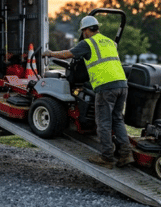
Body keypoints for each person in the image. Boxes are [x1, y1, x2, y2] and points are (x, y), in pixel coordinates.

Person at [43, 16, 134, 169]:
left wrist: (50, 53)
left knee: (103, 122)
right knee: (117, 119)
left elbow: (67, 54)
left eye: (83, 31)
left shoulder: (88, 43)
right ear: (97, 27)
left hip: (106, 87)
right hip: (122, 84)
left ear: (86, 30)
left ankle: (107, 157)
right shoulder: (110, 42)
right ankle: (126, 154)